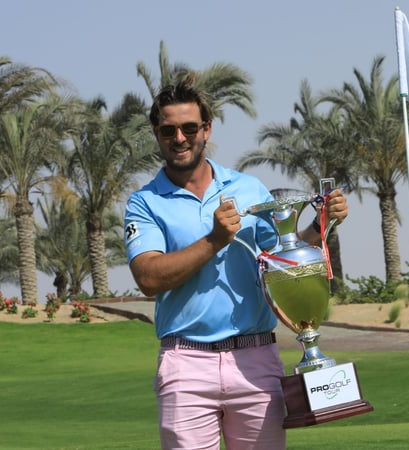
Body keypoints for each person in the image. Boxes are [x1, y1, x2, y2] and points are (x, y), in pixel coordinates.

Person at [123, 79, 349, 450]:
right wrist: (214, 240)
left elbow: (279, 260)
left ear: (206, 130)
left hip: (255, 359)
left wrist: (321, 226)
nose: (179, 138)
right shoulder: (145, 202)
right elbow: (148, 277)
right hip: (186, 364)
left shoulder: (247, 187)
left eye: (190, 128)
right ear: (157, 134)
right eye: (168, 130)